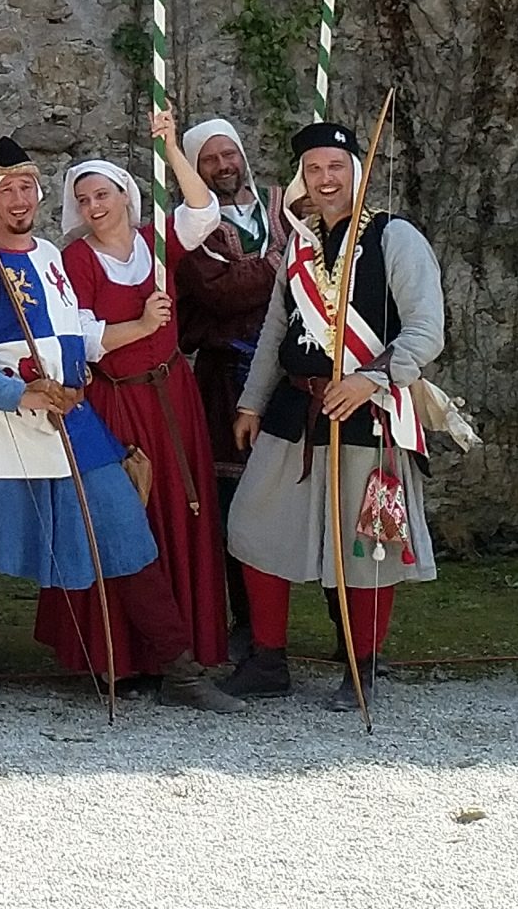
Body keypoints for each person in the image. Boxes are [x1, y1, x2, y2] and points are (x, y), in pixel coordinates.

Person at [0, 136, 241, 713]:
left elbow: (80, 336)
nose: (18, 199)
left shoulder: (50, 257)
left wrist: (140, 328)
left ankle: (179, 670)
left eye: (26, 188)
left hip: (73, 415)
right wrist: (17, 393)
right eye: (6, 190)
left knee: (126, 533)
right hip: (6, 422)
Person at [224, 119, 445, 710]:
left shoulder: (396, 239)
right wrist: (251, 400)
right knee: (251, 524)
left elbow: (426, 330)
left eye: (336, 168)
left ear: (358, 173)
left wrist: (371, 378)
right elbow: (277, 329)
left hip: (370, 408)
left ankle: (362, 666)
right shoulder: (298, 243)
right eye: (315, 170)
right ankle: (269, 660)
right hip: (297, 406)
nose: (326, 180)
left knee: (366, 542)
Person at [35, 113, 230, 679]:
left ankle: (180, 650)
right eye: (85, 198)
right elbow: (82, 337)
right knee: (125, 518)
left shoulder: (158, 240)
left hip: (173, 397)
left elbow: (203, 211)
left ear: (125, 196)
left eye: (104, 194)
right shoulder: (75, 260)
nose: (95, 206)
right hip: (116, 406)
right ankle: (122, 654)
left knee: (180, 509)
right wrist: (144, 326)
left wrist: (169, 146)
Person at [168, 114, 283, 654]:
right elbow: (217, 291)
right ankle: (245, 623)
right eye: (209, 160)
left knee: (302, 496)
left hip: (287, 375)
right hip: (223, 380)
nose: (222, 166)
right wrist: (281, 268)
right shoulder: (192, 226)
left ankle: (339, 629)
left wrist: (265, 270)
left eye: (227, 154)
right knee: (234, 500)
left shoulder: (284, 208)